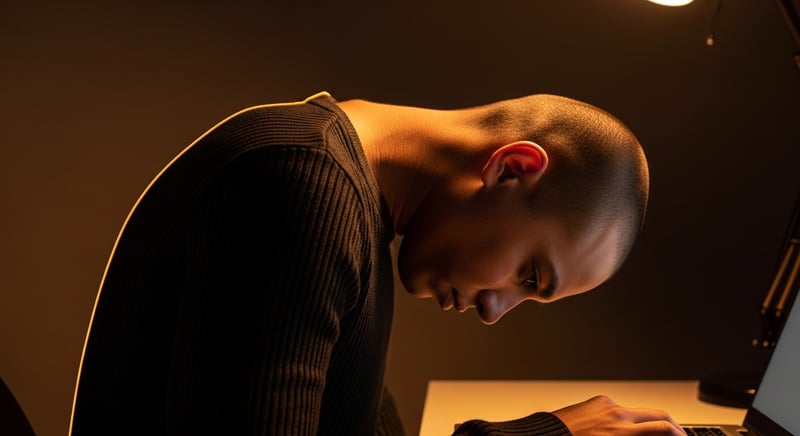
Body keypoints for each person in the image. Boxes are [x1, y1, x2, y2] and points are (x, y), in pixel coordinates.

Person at [69, 91, 683, 435]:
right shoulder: (300, 183)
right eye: (530, 276)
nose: (497, 311)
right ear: (510, 168)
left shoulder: (354, 203)